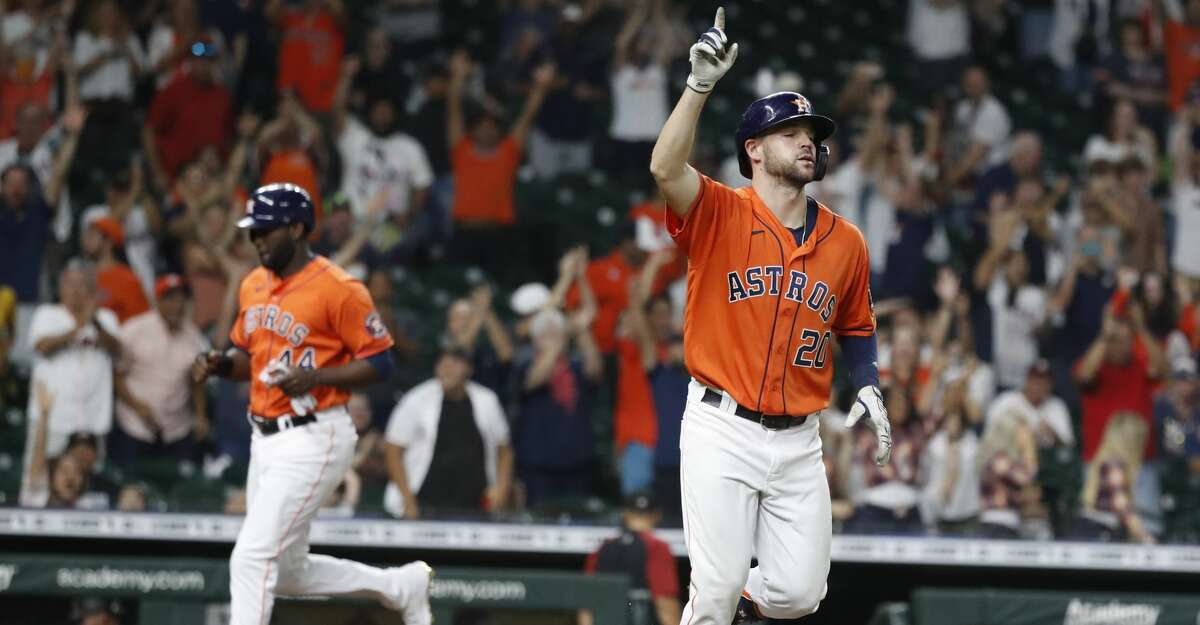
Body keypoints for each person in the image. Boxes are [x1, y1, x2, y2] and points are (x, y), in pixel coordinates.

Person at [648, 9, 891, 623]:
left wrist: (867, 380)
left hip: (799, 440)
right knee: (719, 586)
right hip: (721, 425)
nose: (807, 141)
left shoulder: (847, 242)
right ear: (753, 150)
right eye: (790, 132)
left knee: (799, 593)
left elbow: (857, 326)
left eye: (811, 133)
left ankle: (739, 607)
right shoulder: (720, 212)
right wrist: (698, 86)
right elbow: (664, 169)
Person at [190, 184, 432, 625]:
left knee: (250, 558)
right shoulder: (253, 284)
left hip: (315, 435)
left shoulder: (340, 288)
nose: (257, 239)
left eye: (266, 231)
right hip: (264, 439)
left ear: (298, 228)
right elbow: (250, 357)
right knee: (286, 574)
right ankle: (398, 587)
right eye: (253, 232)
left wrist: (317, 376)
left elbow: (380, 362)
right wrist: (221, 364)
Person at [382, 346, 513, 519]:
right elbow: (392, 450)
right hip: (424, 503)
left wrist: (501, 489)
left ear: (469, 369)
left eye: (455, 363)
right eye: (443, 364)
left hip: (476, 505)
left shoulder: (487, 400)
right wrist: (407, 498)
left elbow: (504, 449)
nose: (447, 369)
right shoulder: (416, 400)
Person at [26, 261, 120, 466]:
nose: (76, 290)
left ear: (93, 289)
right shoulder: (47, 314)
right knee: (39, 486)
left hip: (92, 422)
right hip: (52, 420)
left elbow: (117, 349)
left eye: (83, 284)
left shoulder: (106, 318)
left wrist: (93, 321)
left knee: (91, 489)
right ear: (60, 288)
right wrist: (79, 325)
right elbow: (42, 346)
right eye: (70, 283)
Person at [111, 274, 209, 466]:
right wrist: (136, 405)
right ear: (157, 301)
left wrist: (200, 415)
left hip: (176, 430)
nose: (176, 305)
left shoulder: (195, 339)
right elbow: (117, 374)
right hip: (134, 426)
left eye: (181, 298)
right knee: (133, 487)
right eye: (169, 298)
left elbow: (197, 381)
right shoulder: (135, 329)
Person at [578, 491, 681, 625]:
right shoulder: (657, 547)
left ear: (625, 514)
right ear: (656, 516)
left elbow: (586, 606)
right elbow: (665, 604)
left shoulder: (603, 548)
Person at [79, 215, 150, 323]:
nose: (85, 239)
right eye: (86, 234)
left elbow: (141, 323)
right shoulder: (78, 276)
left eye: (92, 235)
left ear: (108, 242)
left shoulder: (128, 280)